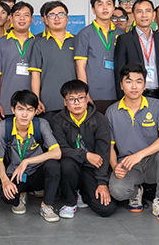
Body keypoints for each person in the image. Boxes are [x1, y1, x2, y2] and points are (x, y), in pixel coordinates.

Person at [107, 63, 159, 222]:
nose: (134, 86)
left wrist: (139, 155)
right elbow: (109, 146)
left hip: (153, 162)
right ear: (121, 85)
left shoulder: (158, 106)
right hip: (128, 164)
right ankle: (136, 192)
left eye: (139, 81)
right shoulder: (112, 111)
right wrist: (115, 166)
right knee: (117, 191)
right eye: (128, 81)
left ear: (144, 85)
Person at [50, 80, 116, 219]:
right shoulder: (57, 120)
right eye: (71, 99)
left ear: (87, 99)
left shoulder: (99, 119)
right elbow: (60, 149)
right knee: (66, 164)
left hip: (92, 169)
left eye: (81, 98)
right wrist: (85, 155)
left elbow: (104, 152)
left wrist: (102, 183)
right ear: (65, 102)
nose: (77, 103)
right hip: (71, 169)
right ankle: (70, 202)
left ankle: (83, 193)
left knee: (106, 209)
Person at [0, 90, 61, 222]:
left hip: (37, 173)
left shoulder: (41, 124)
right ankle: (21, 193)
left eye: (30, 110)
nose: (24, 114)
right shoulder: (2, 128)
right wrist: (5, 181)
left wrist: (26, 161)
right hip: (15, 174)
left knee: (53, 165)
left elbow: (57, 153)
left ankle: (46, 205)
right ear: (13, 109)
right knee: (7, 198)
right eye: (20, 109)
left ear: (35, 111)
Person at [114, 0, 159, 112]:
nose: (144, 15)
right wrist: (122, 100)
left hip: (158, 96)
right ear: (133, 15)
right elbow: (119, 73)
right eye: (139, 11)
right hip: (134, 97)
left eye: (148, 11)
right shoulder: (125, 39)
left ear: (153, 15)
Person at [74, 0, 126, 114]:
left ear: (114, 8)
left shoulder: (121, 34)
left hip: (119, 93)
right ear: (93, 9)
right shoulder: (85, 34)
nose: (105, 8)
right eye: (100, 4)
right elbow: (80, 67)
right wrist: (84, 94)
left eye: (108, 4)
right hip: (94, 95)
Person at [29, 1, 76, 121]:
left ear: (67, 18)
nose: (57, 18)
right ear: (46, 20)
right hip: (47, 104)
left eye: (61, 14)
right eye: (52, 15)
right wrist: (36, 99)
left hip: (74, 103)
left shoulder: (77, 41)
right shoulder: (39, 44)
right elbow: (35, 74)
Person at [0, 1, 35, 121]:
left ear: (31, 19)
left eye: (26, 15)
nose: (22, 18)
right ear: (10, 18)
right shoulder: (0, 44)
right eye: (17, 15)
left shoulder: (38, 43)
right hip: (6, 106)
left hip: (32, 106)